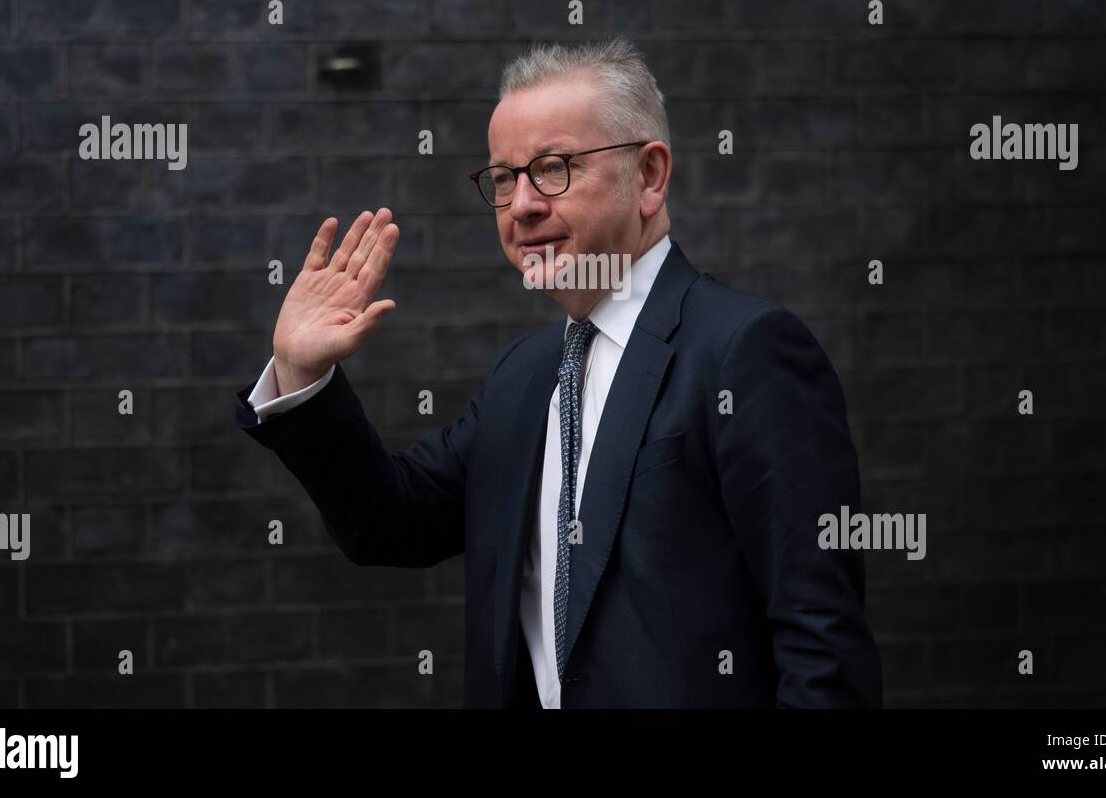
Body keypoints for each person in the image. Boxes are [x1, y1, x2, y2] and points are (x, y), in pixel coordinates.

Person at [232, 36, 883, 708]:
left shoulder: (747, 353)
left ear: (650, 176)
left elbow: (822, 648)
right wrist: (301, 377)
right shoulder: (526, 375)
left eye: (553, 168)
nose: (521, 205)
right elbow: (390, 521)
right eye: (505, 178)